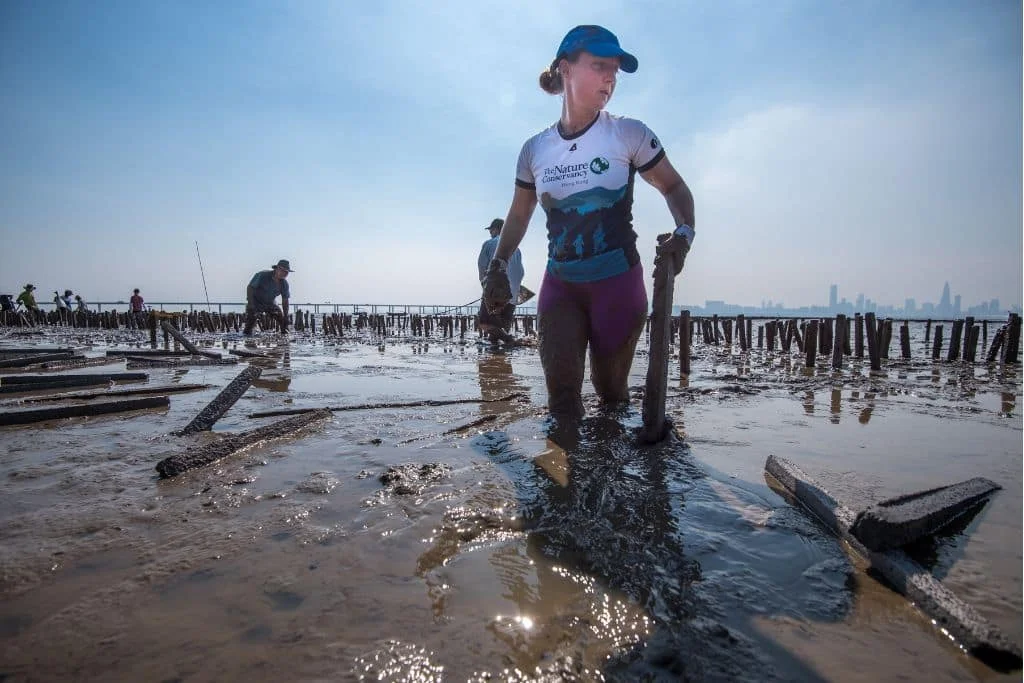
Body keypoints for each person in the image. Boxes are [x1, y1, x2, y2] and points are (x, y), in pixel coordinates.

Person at [482, 25, 696, 418]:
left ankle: (611, 476)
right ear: (566, 69)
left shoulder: (629, 133)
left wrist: (685, 232)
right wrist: (497, 265)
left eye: (614, 69)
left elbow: (674, 186)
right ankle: (562, 478)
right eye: (599, 65)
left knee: (611, 397)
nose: (610, 77)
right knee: (562, 402)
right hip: (561, 286)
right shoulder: (534, 150)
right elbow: (519, 214)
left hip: (619, 285)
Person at [477, 218, 524, 345]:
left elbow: (482, 267)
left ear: (496, 229)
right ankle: (497, 360)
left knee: (485, 322)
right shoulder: (517, 249)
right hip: (513, 295)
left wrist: (485, 288)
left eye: (491, 230)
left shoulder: (489, 243)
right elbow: (521, 272)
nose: (490, 233)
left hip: (496, 292)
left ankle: (509, 340)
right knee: (502, 327)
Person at [244, 259, 293, 335]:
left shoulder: (284, 284)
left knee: (283, 320)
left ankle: (285, 339)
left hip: (270, 303)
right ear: (276, 269)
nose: (284, 273)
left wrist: (286, 315)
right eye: (282, 270)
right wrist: (251, 304)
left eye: (287, 272)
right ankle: (247, 338)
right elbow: (250, 288)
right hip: (256, 302)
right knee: (250, 323)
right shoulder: (262, 275)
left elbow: (285, 300)